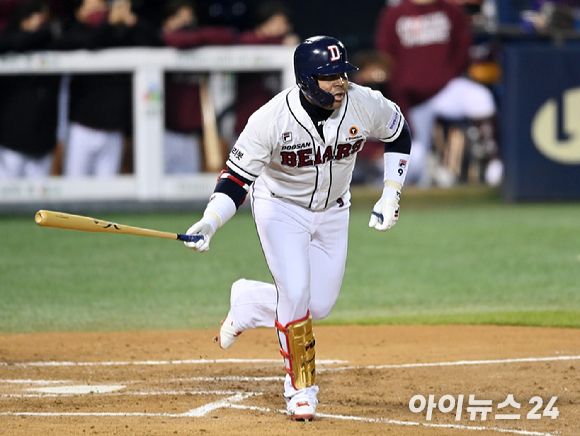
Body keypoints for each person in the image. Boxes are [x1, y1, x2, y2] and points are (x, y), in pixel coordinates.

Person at [183, 35, 411, 421]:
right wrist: (211, 220)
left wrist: (391, 194)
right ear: (305, 80)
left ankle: (250, 302)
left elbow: (398, 132)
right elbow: (235, 179)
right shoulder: (270, 119)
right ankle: (301, 390)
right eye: (329, 76)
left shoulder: (363, 102)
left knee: (317, 305)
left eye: (342, 73)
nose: (340, 82)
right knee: (297, 293)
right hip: (281, 210)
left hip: (335, 211)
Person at [375, 0, 501, 187]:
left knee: (480, 97)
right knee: (413, 160)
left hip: (446, 89)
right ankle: (420, 176)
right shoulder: (394, 13)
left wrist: (446, 75)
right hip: (411, 100)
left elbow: (462, 47)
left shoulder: (451, 10)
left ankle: (493, 162)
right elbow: (385, 55)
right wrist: (403, 89)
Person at [56, 0, 161, 177]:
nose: (98, 13)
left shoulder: (122, 32)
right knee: (74, 193)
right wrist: (109, 24)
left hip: (113, 128)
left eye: (101, 8)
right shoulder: (75, 30)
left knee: (107, 197)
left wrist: (134, 22)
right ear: (79, 11)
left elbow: (158, 45)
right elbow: (88, 43)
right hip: (82, 127)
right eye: (92, 8)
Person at [161, 0, 235, 174]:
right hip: (163, 133)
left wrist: (193, 37)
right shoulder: (159, 42)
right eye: (178, 18)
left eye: (188, 19)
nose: (184, 24)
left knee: (188, 193)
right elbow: (169, 38)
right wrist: (190, 38)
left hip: (191, 136)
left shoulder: (198, 43)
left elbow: (227, 35)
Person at [0, 0, 61, 179]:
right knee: (6, 201)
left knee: (39, 206)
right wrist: (48, 31)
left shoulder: (53, 45)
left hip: (43, 142)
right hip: (11, 141)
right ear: (23, 20)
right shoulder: (9, 40)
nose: (44, 25)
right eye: (39, 20)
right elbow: (13, 42)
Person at [233, 1, 299, 138]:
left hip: (275, 128)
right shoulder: (248, 40)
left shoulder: (283, 47)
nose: (283, 28)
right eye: (278, 22)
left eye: (285, 24)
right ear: (265, 22)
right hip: (248, 125)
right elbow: (247, 41)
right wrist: (282, 43)